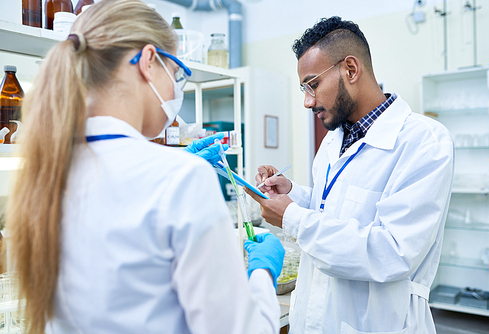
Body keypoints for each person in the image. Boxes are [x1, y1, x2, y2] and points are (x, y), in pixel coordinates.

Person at [5, 1, 284, 333]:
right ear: (148, 61)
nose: (175, 90)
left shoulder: (45, 171)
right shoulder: (181, 180)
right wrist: (262, 273)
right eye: (177, 74)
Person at [245, 16, 454, 333]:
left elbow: (392, 252)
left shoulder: (424, 142)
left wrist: (291, 217)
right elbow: (333, 209)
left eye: (312, 84)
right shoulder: (333, 140)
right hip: (314, 316)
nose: (307, 101)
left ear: (351, 70)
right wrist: (294, 194)